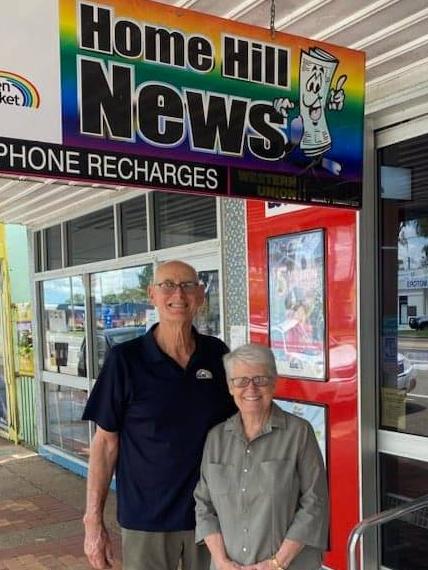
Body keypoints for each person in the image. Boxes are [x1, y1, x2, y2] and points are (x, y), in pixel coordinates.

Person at [82, 260, 236, 570]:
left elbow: (235, 430)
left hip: (211, 517)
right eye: (168, 285)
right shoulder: (125, 359)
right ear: (152, 295)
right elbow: (105, 444)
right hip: (146, 520)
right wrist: (92, 522)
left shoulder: (216, 353)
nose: (178, 294)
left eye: (188, 285)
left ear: (201, 295)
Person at [194, 343, 328, 570]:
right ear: (230, 386)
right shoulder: (216, 438)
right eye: (241, 381)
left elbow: (315, 503)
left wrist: (277, 563)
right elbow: (204, 506)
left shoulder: (299, 433)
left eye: (260, 379)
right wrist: (222, 562)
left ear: (274, 382)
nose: (251, 389)